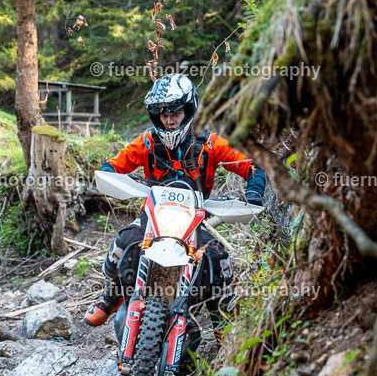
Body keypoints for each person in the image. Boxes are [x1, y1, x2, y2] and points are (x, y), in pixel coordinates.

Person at [84, 74, 266, 337]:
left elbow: (251, 166)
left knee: (219, 259)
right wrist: (109, 176)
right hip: (152, 217)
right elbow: (113, 165)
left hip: (192, 221)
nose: (169, 120)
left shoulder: (210, 144)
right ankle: (111, 296)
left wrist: (254, 192)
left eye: (175, 112)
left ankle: (223, 324)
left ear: (189, 109)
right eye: (162, 113)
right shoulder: (147, 141)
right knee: (122, 242)